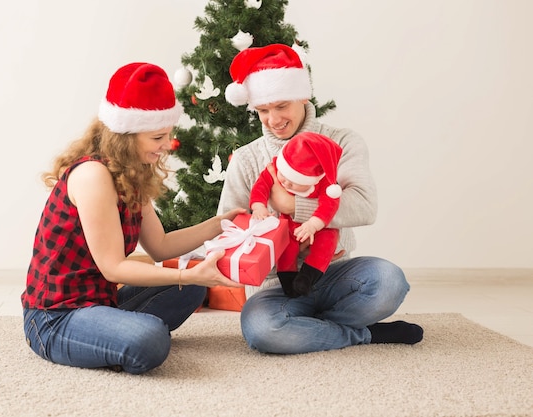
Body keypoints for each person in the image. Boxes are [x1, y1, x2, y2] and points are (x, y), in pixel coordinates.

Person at [21, 62, 244, 374]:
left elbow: (161, 246)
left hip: (99, 303)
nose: (167, 146)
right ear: (125, 136)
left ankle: (110, 334)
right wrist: (186, 275)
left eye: (168, 135)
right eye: (157, 137)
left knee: (193, 289)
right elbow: (114, 268)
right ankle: (114, 337)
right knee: (151, 339)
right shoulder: (92, 176)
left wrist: (220, 223)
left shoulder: (129, 173)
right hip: (56, 317)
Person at [219, 43, 423, 354]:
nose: (273, 119)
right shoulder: (248, 159)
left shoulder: (342, 142)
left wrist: (293, 207)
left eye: (281, 106)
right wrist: (276, 236)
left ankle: (311, 330)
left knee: (389, 280)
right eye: (262, 110)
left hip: (332, 272)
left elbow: (365, 207)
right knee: (263, 330)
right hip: (276, 287)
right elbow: (227, 227)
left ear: (303, 95)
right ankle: (362, 334)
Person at [249, 131, 343, 298]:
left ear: (311, 179)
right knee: (286, 245)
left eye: (292, 181)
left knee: (327, 242)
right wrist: (258, 207)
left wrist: (313, 224)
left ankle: (307, 278)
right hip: (289, 223)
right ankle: (287, 280)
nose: (284, 182)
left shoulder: (325, 183)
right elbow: (261, 186)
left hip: (318, 227)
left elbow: (329, 205)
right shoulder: (277, 165)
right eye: (282, 175)